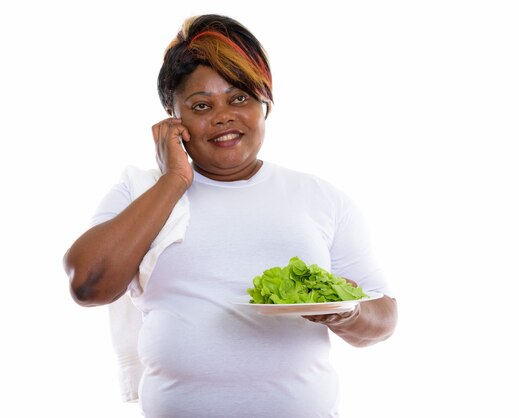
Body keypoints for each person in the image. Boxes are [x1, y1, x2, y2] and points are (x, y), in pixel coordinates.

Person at [63, 14, 398, 417]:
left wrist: (344, 310)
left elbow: (383, 318)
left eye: (239, 97)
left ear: (265, 103)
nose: (223, 116)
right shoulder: (140, 192)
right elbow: (88, 284)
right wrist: (174, 181)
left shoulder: (320, 197)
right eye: (201, 105)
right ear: (173, 118)